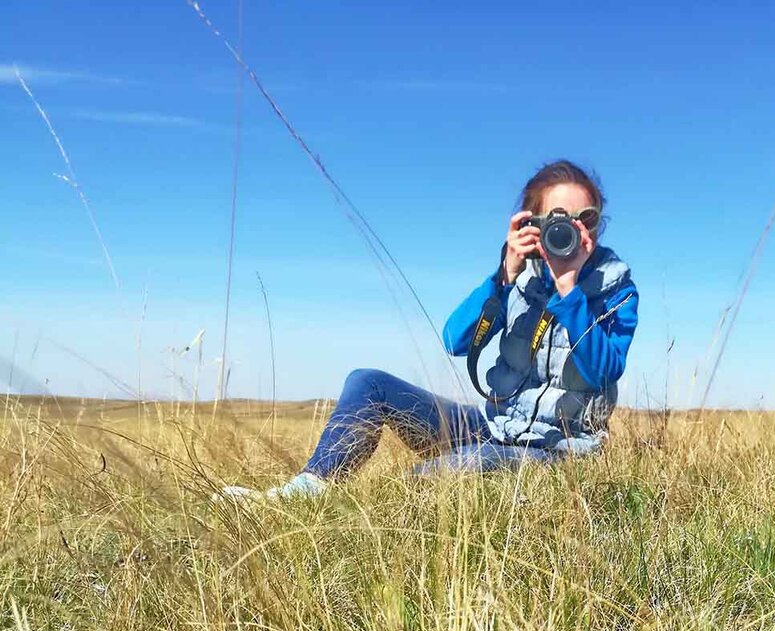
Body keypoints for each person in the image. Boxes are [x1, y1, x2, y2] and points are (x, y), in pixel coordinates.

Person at [220, 159, 639, 501]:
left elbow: (604, 369)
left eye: (588, 219)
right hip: (492, 426)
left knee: (439, 473)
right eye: (560, 218)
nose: (576, 230)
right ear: (532, 222)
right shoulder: (519, 275)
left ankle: (405, 491)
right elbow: (455, 341)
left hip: (558, 450)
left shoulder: (616, 288)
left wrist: (569, 287)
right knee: (368, 383)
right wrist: (503, 275)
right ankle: (304, 493)